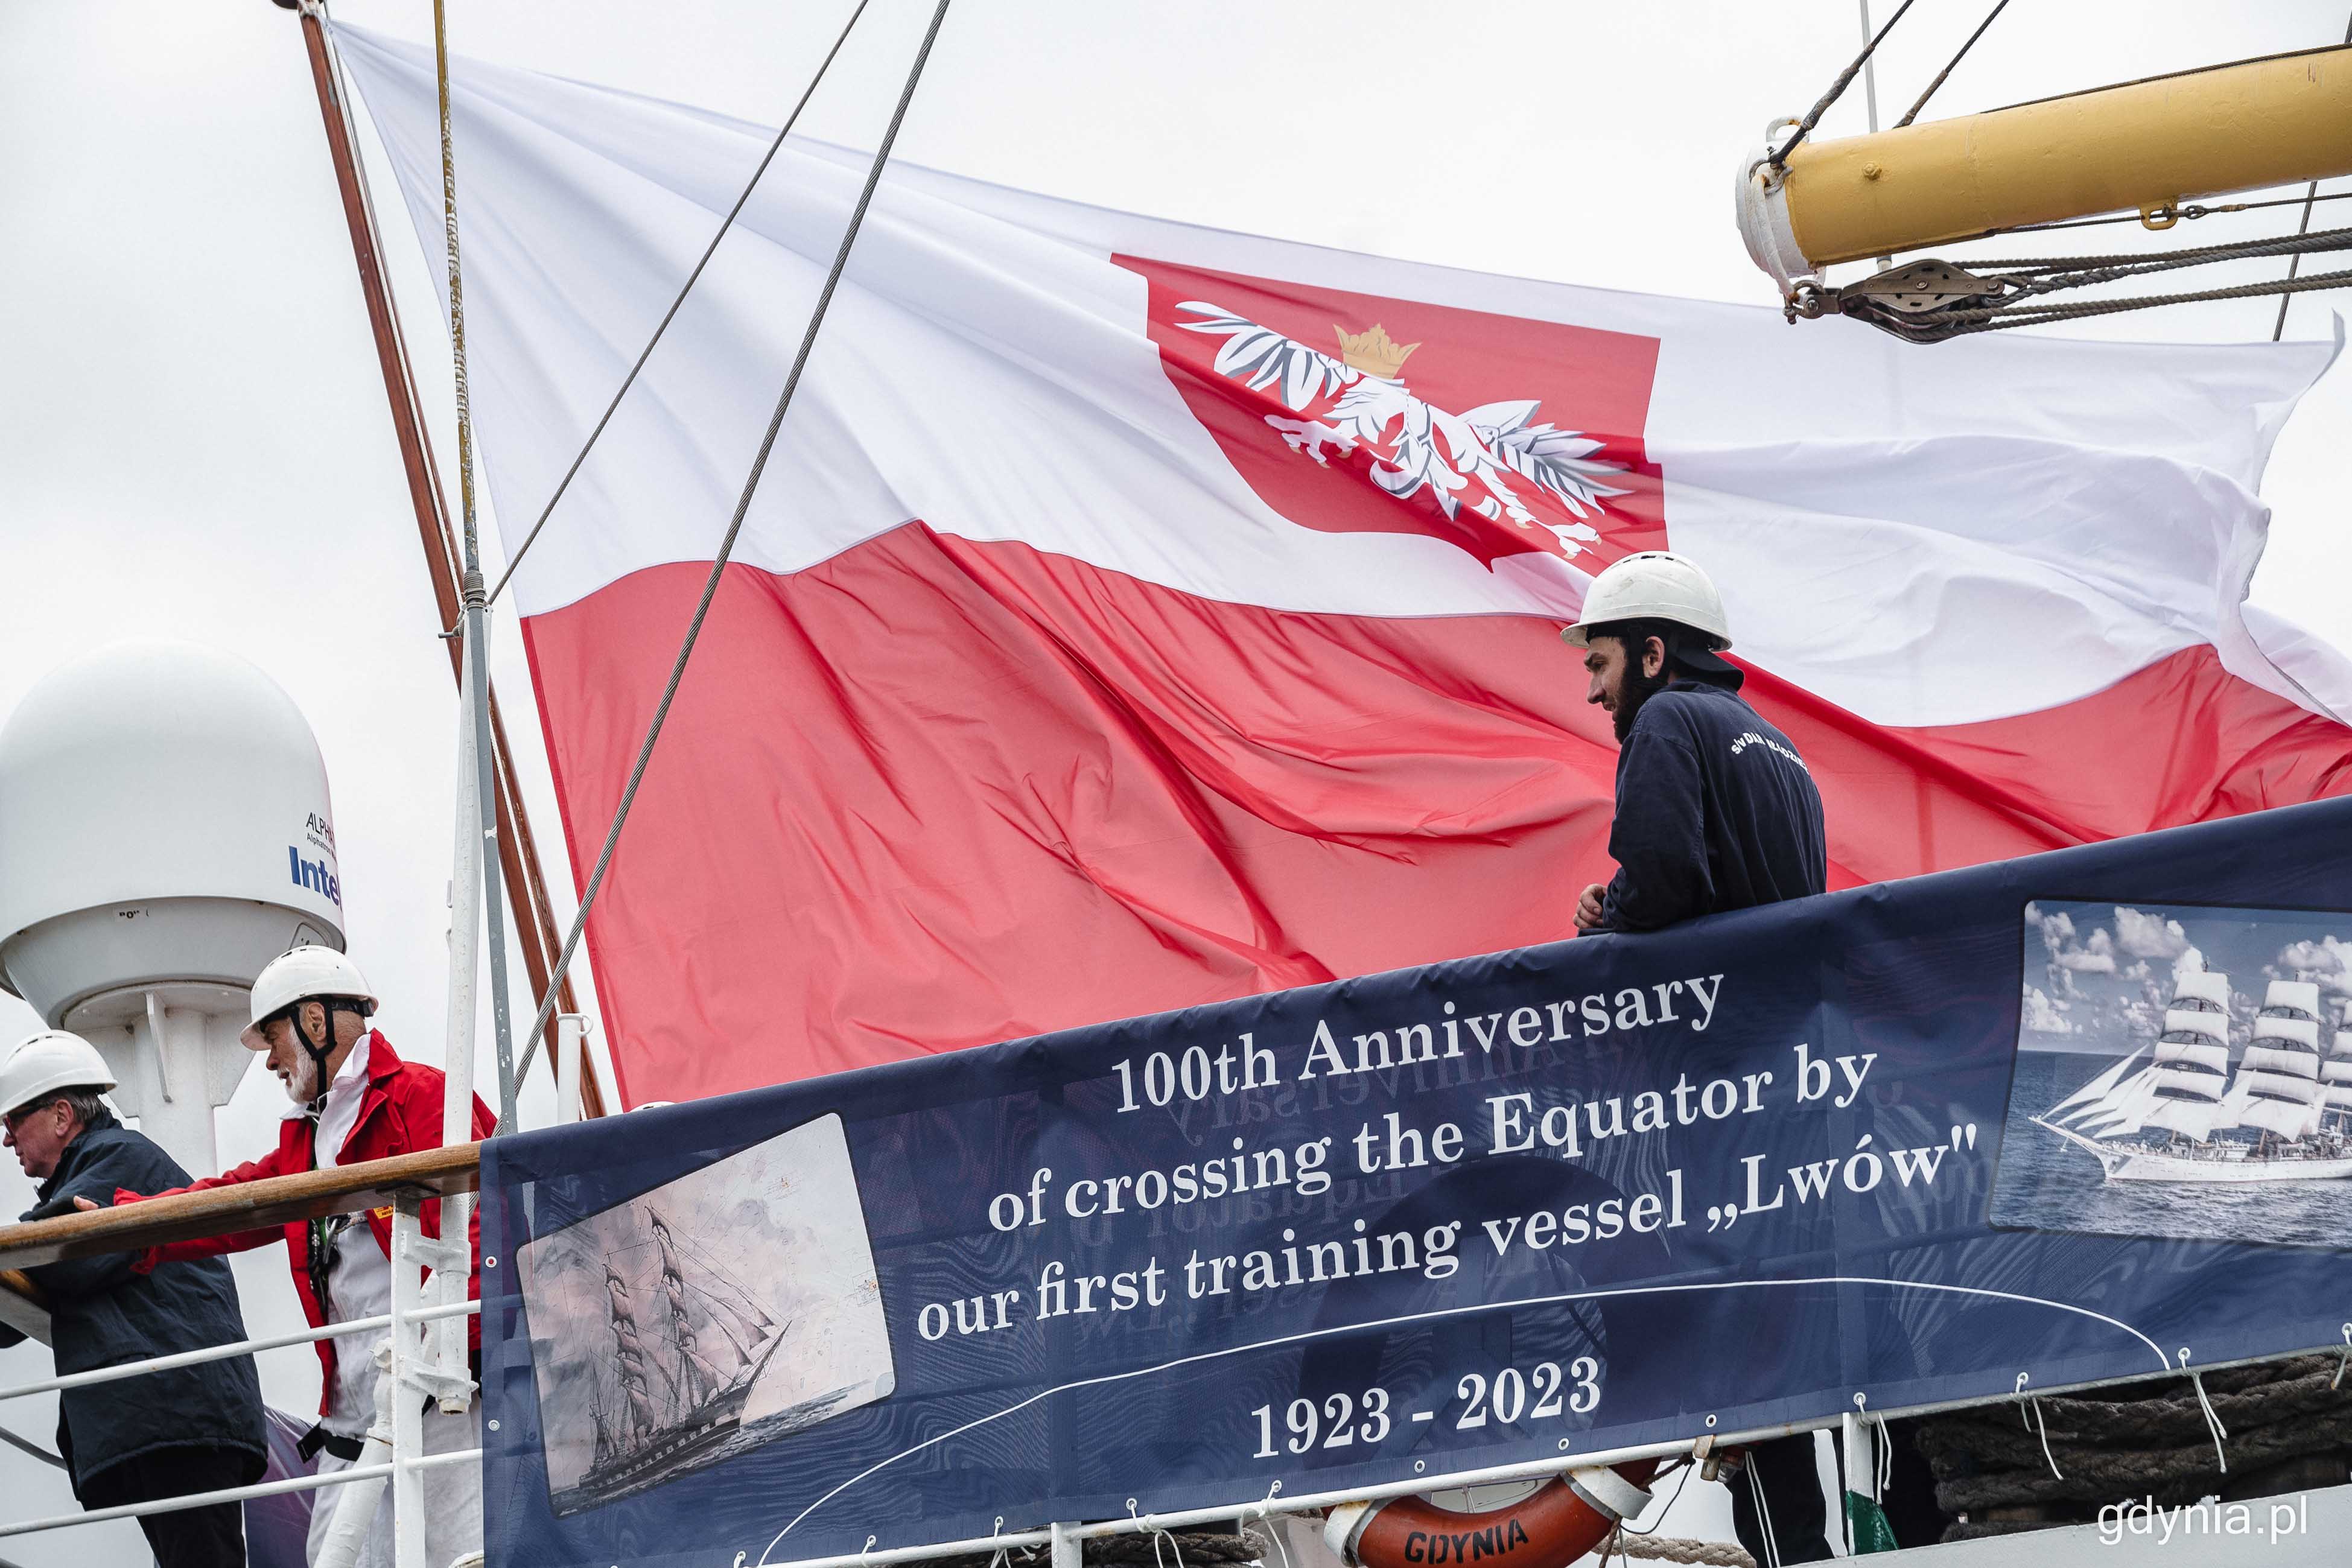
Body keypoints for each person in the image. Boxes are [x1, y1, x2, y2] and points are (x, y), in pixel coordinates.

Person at [1562, 550, 1841, 1560]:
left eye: (1598, 662)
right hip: (1793, 1075)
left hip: (1724, 1083)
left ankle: (1789, 1548)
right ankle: (1824, 1539)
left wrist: (1608, 924)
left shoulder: (1667, 722)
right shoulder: (1777, 746)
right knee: (1790, 1318)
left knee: (1743, 1323)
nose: (1592, 688)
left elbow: (1667, 875)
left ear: (1648, 650)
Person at [113, 947, 494, 1568]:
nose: (269, 1060)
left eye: (272, 1037)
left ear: (315, 1022)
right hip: (350, 1420)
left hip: (442, 1396)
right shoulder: (306, 1136)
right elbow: (239, 1201)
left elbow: (485, 1230)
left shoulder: (425, 1099)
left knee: (460, 1559)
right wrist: (132, 1219)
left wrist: (458, 1349)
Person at [0, 1029, 266, 1568]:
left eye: (12, 1121)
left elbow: (63, 1251)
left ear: (60, 1115)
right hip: (172, 1415)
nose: (7, 1139)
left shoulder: (121, 1156)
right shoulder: (107, 1165)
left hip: (178, 1414)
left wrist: (41, 1231)